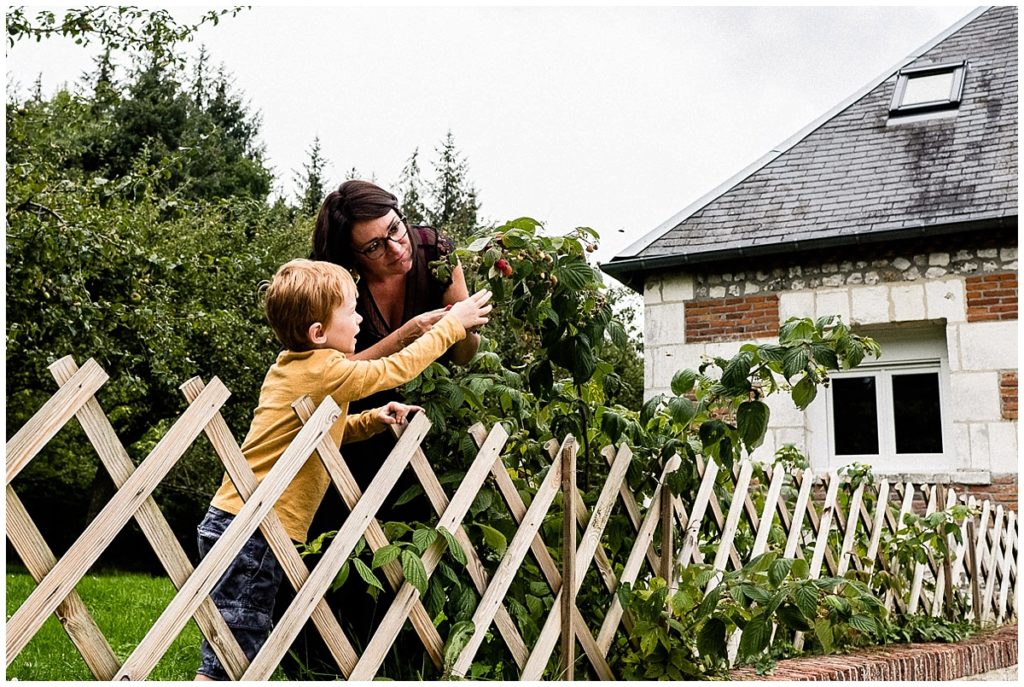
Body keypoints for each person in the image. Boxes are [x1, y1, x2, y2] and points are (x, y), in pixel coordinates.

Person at [194, 258, 491, 680]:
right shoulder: (329, 369)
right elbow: (397, 368)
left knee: (236, 642)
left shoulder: (290, 367)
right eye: (351, 311)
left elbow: (319, 433)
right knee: (232, 655)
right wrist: (453, 325)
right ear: (318, 333)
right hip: (257, 529)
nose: (359, 319)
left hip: (234, 519)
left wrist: (372, 420)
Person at [276, 181, 480, 677]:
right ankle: (323, 663)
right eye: (375, 246)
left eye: (395, 228)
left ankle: (408, 663)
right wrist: (408, 335)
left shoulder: (435, 251)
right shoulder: (335, 288)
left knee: (416, 552)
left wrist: (461, 329)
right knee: (340, 550)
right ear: (352, 259)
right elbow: (332, 375)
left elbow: (465, 356)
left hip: (419, 422)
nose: (395, 247)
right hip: (353, 423)